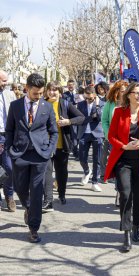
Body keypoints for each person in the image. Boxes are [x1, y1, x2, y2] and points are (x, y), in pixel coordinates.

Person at [104, 82, 139, 252]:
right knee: (125, 193)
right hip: (123, 160)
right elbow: (111, 136)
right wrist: (123, 146)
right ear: (128, 95)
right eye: (136, 92)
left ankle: (136, 225)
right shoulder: (119, 113)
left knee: (138, 195)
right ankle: (127, 232)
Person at [5, 73, 58, 243]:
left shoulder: (47, 107)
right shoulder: (15, 106)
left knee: (37, 191)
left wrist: (49, 150)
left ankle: (34, 228)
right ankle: (28, 208)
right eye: (36, 93)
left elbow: (54, 131)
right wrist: (9, 148)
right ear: (27, 88)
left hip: (40, 155)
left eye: (41, 93)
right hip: (19, 154)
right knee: (20, 188)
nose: (39, 96)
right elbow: (9, 130)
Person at [42, 81, 85, 211]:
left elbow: (81, 117)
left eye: (55, 90)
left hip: (62, 145)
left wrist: (68, 121)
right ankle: (48, 201)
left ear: (60, 92)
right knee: (46, 173)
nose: (52, 92)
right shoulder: (41, 104)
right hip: (45, 146)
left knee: (61, 173)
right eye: (50, 89)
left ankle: (61, 194)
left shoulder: (65, 104)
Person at [77, 86, 105, 191]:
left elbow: (99, 117)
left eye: (90, 98)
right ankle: (87, 171)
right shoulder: (80, 104)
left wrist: (97, 105)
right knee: (82, 158)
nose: (88, 100)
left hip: (97, 134)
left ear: (94, 95)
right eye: (86, 98)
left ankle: (95, 182)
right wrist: (89, 118)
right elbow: (80, 119)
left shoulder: (102, 103)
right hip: (84, 133)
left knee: (97, 159)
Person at [101, 80, 128, 184]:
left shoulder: (130, 103)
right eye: (122, 91)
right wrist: (109, 136)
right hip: (113, 140)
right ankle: (118, 186)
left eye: (126, 91)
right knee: (117, 164)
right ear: (117, 91)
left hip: (127, 140)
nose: (124, 93)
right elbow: (104, 121)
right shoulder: (110, 103)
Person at [0, 70, 16, 212]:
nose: (6, 84)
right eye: (3, 81)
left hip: (7, 135)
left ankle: (9, 196)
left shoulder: (9, 94)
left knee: (9, 168)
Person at [63, 79, 80, 160]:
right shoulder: (64, 95)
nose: (70, 86)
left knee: (78, 135)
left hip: (79, 117)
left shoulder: (78, 94)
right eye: (69, 85)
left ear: (74, 85)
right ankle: (76, 153)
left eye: (72, 85)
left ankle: (75, 150)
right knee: (73, 135)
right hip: (70, 118)